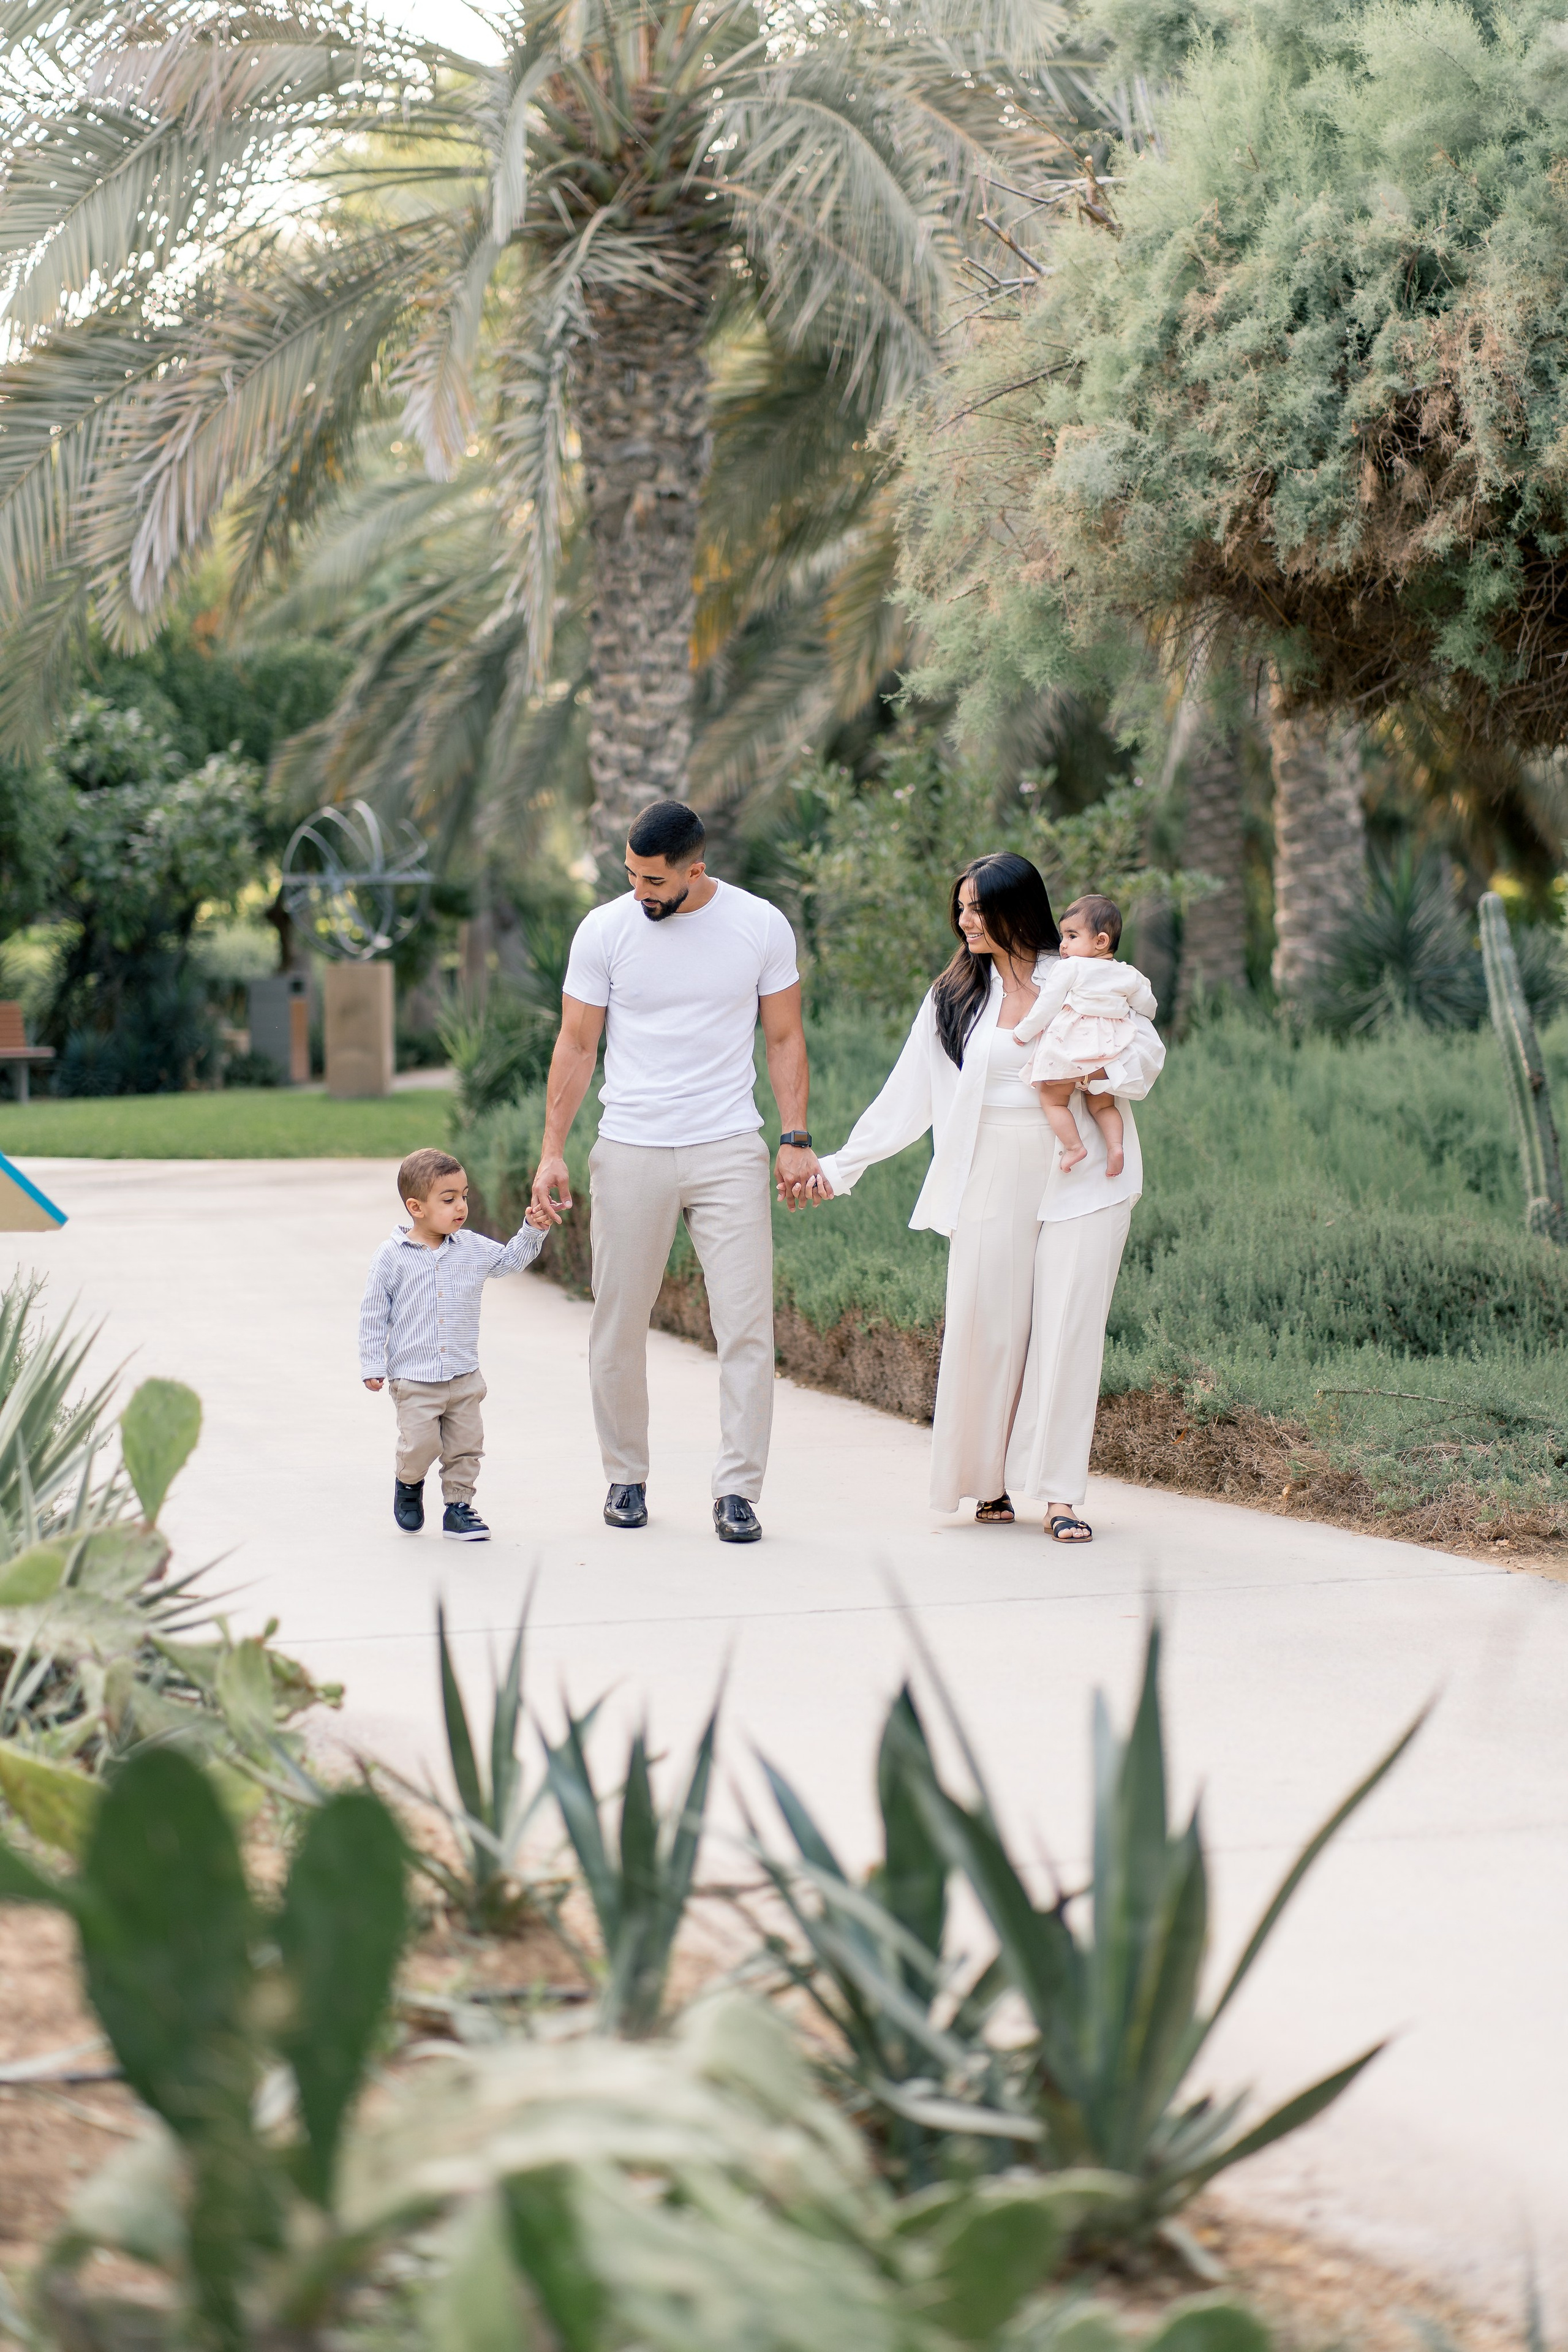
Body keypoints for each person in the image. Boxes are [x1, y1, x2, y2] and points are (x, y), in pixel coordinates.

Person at [808, 853, 1158, 1542]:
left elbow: (1145, 1051)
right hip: (990, 1167)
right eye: (961, 908)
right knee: (986, 1325)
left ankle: (1059, 1496)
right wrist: (840, 1167)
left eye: (979, 908)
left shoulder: (1080, 974)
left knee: (1068, 1328)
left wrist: (1098, 1071)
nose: (966, 921)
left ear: (1016, 911)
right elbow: (906, 1096)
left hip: (1085, 1170)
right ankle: (987, 1482)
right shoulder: (954, 995)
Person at [530, 798, 824, 1543]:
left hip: (728, 1146)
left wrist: (795, 1136)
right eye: (630, 874)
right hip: (630, 1146)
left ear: (696, 870)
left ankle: (738, 1491)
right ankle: (625, 1476)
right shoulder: (605, 930)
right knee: (617, 1324)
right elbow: (576, 1046)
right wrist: (551, 1150)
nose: (638, 891)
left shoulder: (759, 925)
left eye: (653, 880)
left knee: (746, 1326)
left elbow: (784, 1038)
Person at [359, 1147, 550, 1542]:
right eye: (448, 1200)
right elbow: (374, 1313)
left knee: (466, 1446)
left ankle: (458, 1508)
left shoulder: (472, 1247)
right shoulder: (392, 1257)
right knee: (420, 1445)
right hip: (414, 1379)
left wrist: (532, 1229)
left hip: (464, 1375)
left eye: (464, 1195)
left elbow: (510, 1261)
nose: (461, 1206)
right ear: (416, 1207)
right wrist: (372, 1363)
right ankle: (409, 1481)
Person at [1012, 894, 1164, 1177]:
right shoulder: (1128, 974)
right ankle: (1115, 1147)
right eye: (1063, 936)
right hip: (1108, 1054)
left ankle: (1074, 1147)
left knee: (1052, 1099)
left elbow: (1047, 1005)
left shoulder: (1070, 967)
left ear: (1101, 941)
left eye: (1072, 936)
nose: (1063, 944)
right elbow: (1149, 1008)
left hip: (1070, 1051)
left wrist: (1024, 1032)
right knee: (1103, 1105)